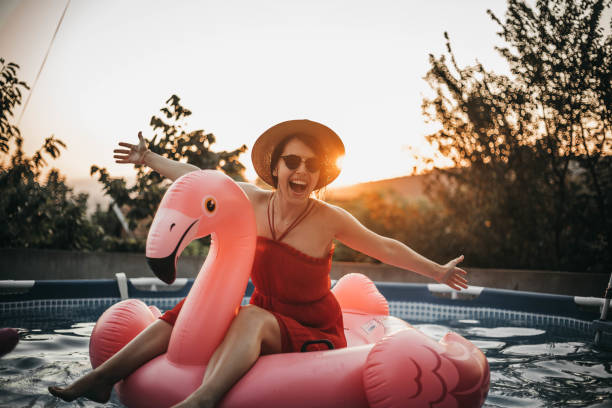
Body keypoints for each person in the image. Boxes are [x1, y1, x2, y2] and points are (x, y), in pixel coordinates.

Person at [49, 119, 468, 408]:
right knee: (186, 313)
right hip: (268, 314)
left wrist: (437, 271)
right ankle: (101, 378)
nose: (302, 171)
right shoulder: (248, 199)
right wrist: (150, 159)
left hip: (312, 327)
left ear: (320, 174)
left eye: (311, 165)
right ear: (276, 167)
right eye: (292, 161)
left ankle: (205, 399)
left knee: (249, 319)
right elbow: (198, 177)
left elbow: (384, 247)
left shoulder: (328, 218)